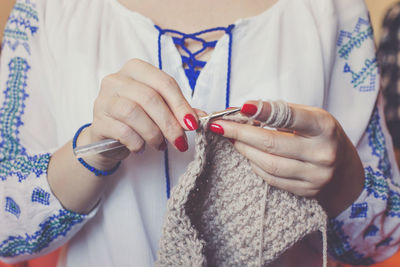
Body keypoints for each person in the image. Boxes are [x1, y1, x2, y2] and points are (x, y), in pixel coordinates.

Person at [0, 0, 398, 266]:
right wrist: (91, 151)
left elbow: (381, 241)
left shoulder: (331, 10)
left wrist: (342, 177)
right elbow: (6, 231)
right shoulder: (50, 9)